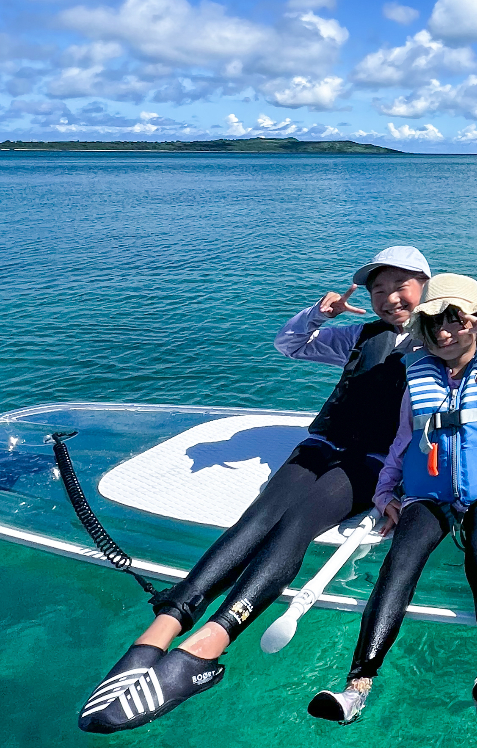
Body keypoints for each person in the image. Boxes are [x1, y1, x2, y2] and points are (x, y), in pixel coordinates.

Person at [78, 246, 432, 734]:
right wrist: (315, 314)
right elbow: (290, 344)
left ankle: (208, 646)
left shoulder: (440, 340)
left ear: (425, 286)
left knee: (296, 526)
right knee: (256, 519)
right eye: (378, 290)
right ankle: (161, 630)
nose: (389, 298)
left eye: (401, 286)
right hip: (322, 442)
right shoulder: (360, 334)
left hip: (372, 463)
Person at [308, 273, 477, 724]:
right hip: (426, 493)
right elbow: (403, 441)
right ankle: (357, 686)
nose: (445, 332)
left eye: (456, 320)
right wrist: (385, 491)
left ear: (475, 321)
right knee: (400, 561)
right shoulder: (418, 376)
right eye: (433, 323)